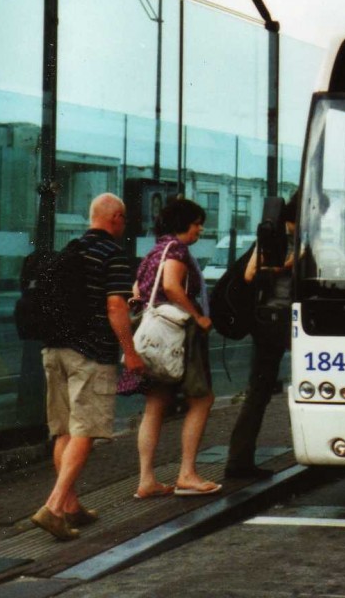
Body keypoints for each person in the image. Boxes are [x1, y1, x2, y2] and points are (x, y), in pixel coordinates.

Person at [32, 193, 143, 542]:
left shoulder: (71, 250)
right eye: (123, 220)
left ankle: (71, 506)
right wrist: (131, 353)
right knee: (85, 431)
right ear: (117, 218)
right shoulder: (113, 254)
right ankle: (52, 507)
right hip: (91, 354)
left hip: (54, 351)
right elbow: (115, 307)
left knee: (64, 431)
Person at [132, 198, 221, 498]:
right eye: (197, 223)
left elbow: (137, 291)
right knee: (202, 399)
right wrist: (198, 316)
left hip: (153, 337)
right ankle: (187, 473)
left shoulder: (154, 251)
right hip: (178, 335)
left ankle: (146, 479)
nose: (200, 228)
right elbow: (170, 285)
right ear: (184, 223)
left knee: (155, 403)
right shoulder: (178, 251)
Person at [225, 192, 297, 479]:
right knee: (260, 390)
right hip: (275, 319)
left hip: (276, 319)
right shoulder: (276, 238)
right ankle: (239, 461)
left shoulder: (271, 236)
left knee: (260, 390)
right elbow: (250, 274)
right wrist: (289, 265)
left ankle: (240, 459)